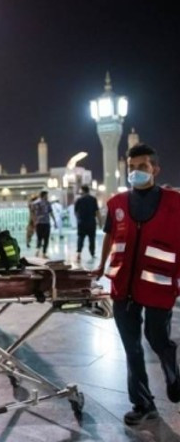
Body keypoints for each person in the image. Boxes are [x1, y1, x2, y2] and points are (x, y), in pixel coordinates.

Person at [94, 143, 180, 426]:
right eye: (131, 168)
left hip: (157, 284)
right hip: (123, 285)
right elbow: (109, 236)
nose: (135, 172)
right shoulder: (117, 203)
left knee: (157, 338)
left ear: (155, 169)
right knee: (131, 348)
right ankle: (143, 403)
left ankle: (172, 373)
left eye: (142, 167)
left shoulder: (174, 203)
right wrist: (101, 264)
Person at [74, 185, 102, 261]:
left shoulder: (79, 200)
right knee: (92, 238)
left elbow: (75, 212)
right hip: (91, 222)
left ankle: (79, 253)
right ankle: (92, 253)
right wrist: (100, 222)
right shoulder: (93, 199)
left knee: (80, 237)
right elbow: (97, 211)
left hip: (82, 222)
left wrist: (78, 220)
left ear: (82, 190)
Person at [31, 190, 56, 257]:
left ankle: (38, 250)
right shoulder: (47, 203)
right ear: (44, 195)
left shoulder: (34, 203)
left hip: (39, 223)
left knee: (39, 237)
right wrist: (54, 221)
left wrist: (34, 221)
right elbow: (51, 213)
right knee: (46, 238)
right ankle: (44, 253)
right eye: (47, 195)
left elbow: (32, 213)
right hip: (45, 223)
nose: (47, 196)